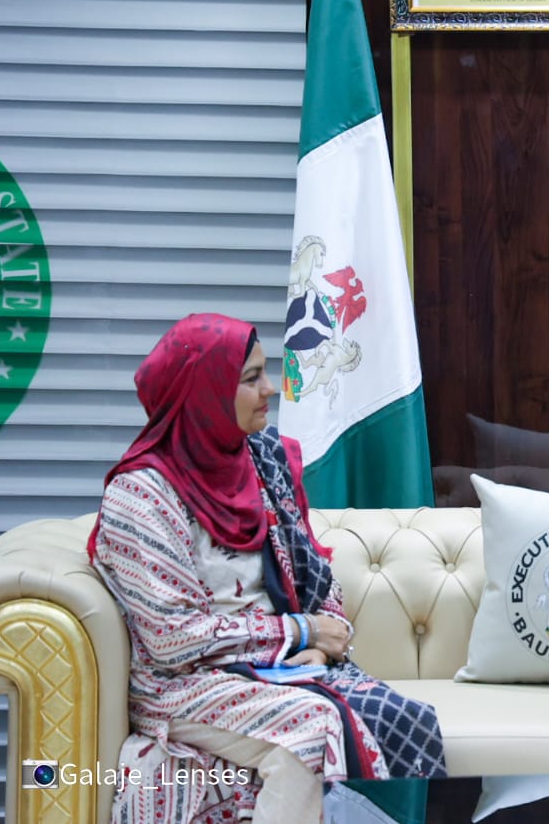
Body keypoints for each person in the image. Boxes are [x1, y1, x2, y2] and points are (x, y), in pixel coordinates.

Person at [88, 313, 446, 823]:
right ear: (204, 392)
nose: (270, 389)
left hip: (269, 668)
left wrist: (323, 641)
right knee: (312, 728)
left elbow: (314, 573)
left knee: (390, 716)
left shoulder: (262, 462)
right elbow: (173, 640)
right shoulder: (141, 495)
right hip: (184, 685)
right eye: (251, 378)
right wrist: (300, 632)